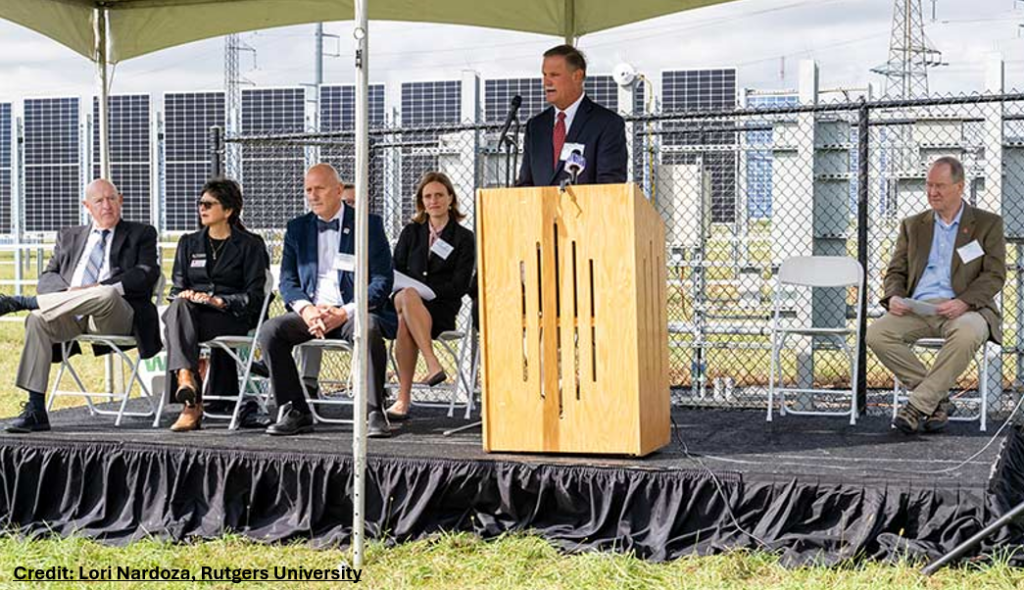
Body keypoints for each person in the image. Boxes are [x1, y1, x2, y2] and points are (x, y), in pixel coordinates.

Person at [0, 179, 161, 433]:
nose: (106, 205)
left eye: (112, 198)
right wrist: (68, 293)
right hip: (71, 314)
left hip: (115, 315)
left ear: (121, 200)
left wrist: (96, 289)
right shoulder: (69, 236)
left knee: (105, 293)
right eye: (99, 201)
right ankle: (35, 410)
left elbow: (147, 273)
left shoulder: (141, 233)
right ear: (87, 206)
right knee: (36, 320)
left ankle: (21, 302)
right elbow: (47, 279)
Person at [867, 156, 1006, 434]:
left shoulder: (987, 224)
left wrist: (963, 301)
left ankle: (917, 407)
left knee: (968, 333)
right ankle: (936, 399)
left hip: (967, 309)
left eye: (940, 186)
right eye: (929, 185)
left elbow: (994, 274)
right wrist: (893, 296)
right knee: (876, 334)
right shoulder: (913, 225)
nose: (932, 192)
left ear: (960, 187)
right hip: (917, 307)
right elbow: (896, 271)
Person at [258, 163, 396, 437]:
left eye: (319, 189)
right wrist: (307, 310)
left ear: (338, 191)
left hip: (350, 311)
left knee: (367, 327)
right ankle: (295, 409)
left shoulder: (368, 225)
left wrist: (343, 313)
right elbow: (288, 281)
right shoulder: (297, 228)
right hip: (311, 312)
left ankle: (373, 410)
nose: (312, 195)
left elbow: (382, 281)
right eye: (308, 190)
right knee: (271, 331)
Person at [162, 178, 269, 432]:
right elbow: (176, 290)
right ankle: (187, 381)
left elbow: (256, 296)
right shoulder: (188, 243)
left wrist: (219, 300)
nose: (202, 208)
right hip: (192, 315)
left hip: (230, 316)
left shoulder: (250, 244)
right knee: (179, 305)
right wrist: (189, 294)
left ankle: (190, 398)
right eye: (200, 203)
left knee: (178, 316)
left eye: (209, 204)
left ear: (229, 210)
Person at [386, 172, 475, 421]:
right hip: (404, 300)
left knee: (406, 317)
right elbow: (395, 271)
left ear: (450, 199)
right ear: (421, 202)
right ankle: (432, 362)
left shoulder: (464, 238)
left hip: (440, 309)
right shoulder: (411, 233)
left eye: (438, 195)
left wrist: (427, 291)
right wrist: (413, 290)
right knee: (407, 295)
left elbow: (460, 285)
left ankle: (403, 400)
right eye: (427, 196)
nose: (433, 200)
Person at [517, 44, 627, 188]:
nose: (546, 82)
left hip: (587, 210)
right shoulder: (535, 126)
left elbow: (610, 187)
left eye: (554, 75)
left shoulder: (607, 123)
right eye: (544, 75)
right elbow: (525, 183)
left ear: (577, 76)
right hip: (540, 210)